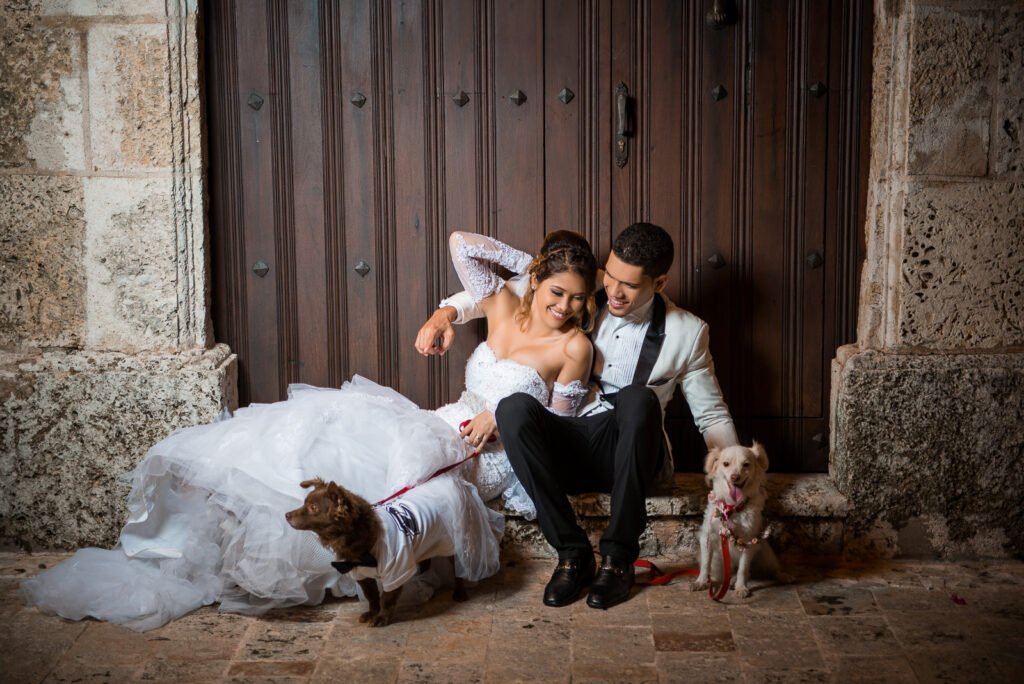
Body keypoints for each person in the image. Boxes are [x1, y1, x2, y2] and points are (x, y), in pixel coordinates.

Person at [21, 231, 598, 632]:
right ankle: (232, 522)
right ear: (536, 280)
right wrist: (537, 263)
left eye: (578, 297)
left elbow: (558, 432)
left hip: (487, 453)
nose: (566, 306)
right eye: (556, 290)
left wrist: (507, 414)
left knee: (385, 471)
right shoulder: (499, 304)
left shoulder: (573, 346)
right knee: (339, 424)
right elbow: (462, 244)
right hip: (443, 420)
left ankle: (305, 546)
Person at [429, 222, 739, 610]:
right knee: (511, 406)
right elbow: (512, 293)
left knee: (638, 400)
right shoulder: (585, 287)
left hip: (629, 449)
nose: (613, 291)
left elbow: (710, 414)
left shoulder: (687, 333)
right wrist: (448, 311)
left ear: (659, 283)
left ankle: (619, 558)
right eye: (609, 276)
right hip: (571, 438)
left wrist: (735, 484)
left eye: (629, 285)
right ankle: (573, 553)